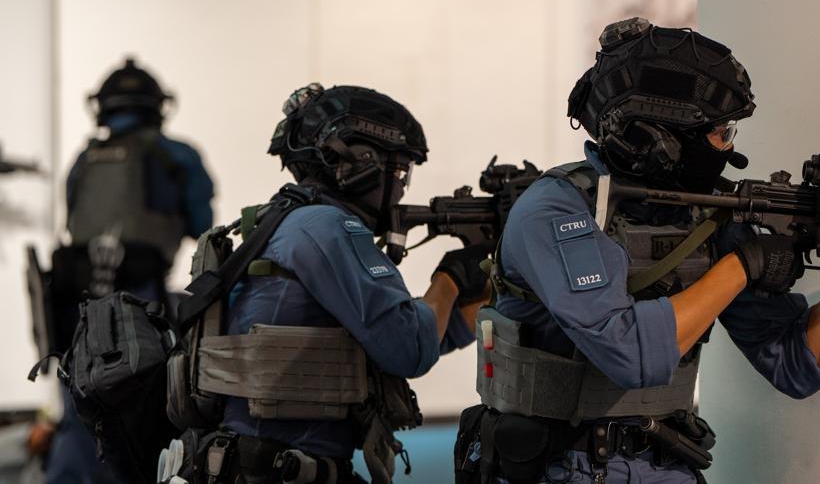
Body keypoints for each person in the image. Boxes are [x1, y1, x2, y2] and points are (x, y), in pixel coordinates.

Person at [457, 18, 820, 484]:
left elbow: (799, 364)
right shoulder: (558, 210)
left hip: (664, 463)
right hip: (557, 465)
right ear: (660, 140)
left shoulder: (709, 216)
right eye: (720, 133)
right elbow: (627, 352)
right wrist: (744, 264)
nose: (730, 151)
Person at [168, 83, 489, 484]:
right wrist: (452, 276)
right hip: (279, 469)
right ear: (362, 162)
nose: (403, 187)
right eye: (400, 170)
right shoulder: (329, 228)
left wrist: (488, 297)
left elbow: (397, 337)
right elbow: (410, 348)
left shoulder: (286, 222)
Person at [46, 57, 215, 484]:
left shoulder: (84, 159)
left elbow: (73, 225)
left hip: (72, 298)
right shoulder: (177, 155)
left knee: (78, 402)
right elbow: (203, 227)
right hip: (138, 298)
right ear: (157, 107)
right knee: (141, 405)